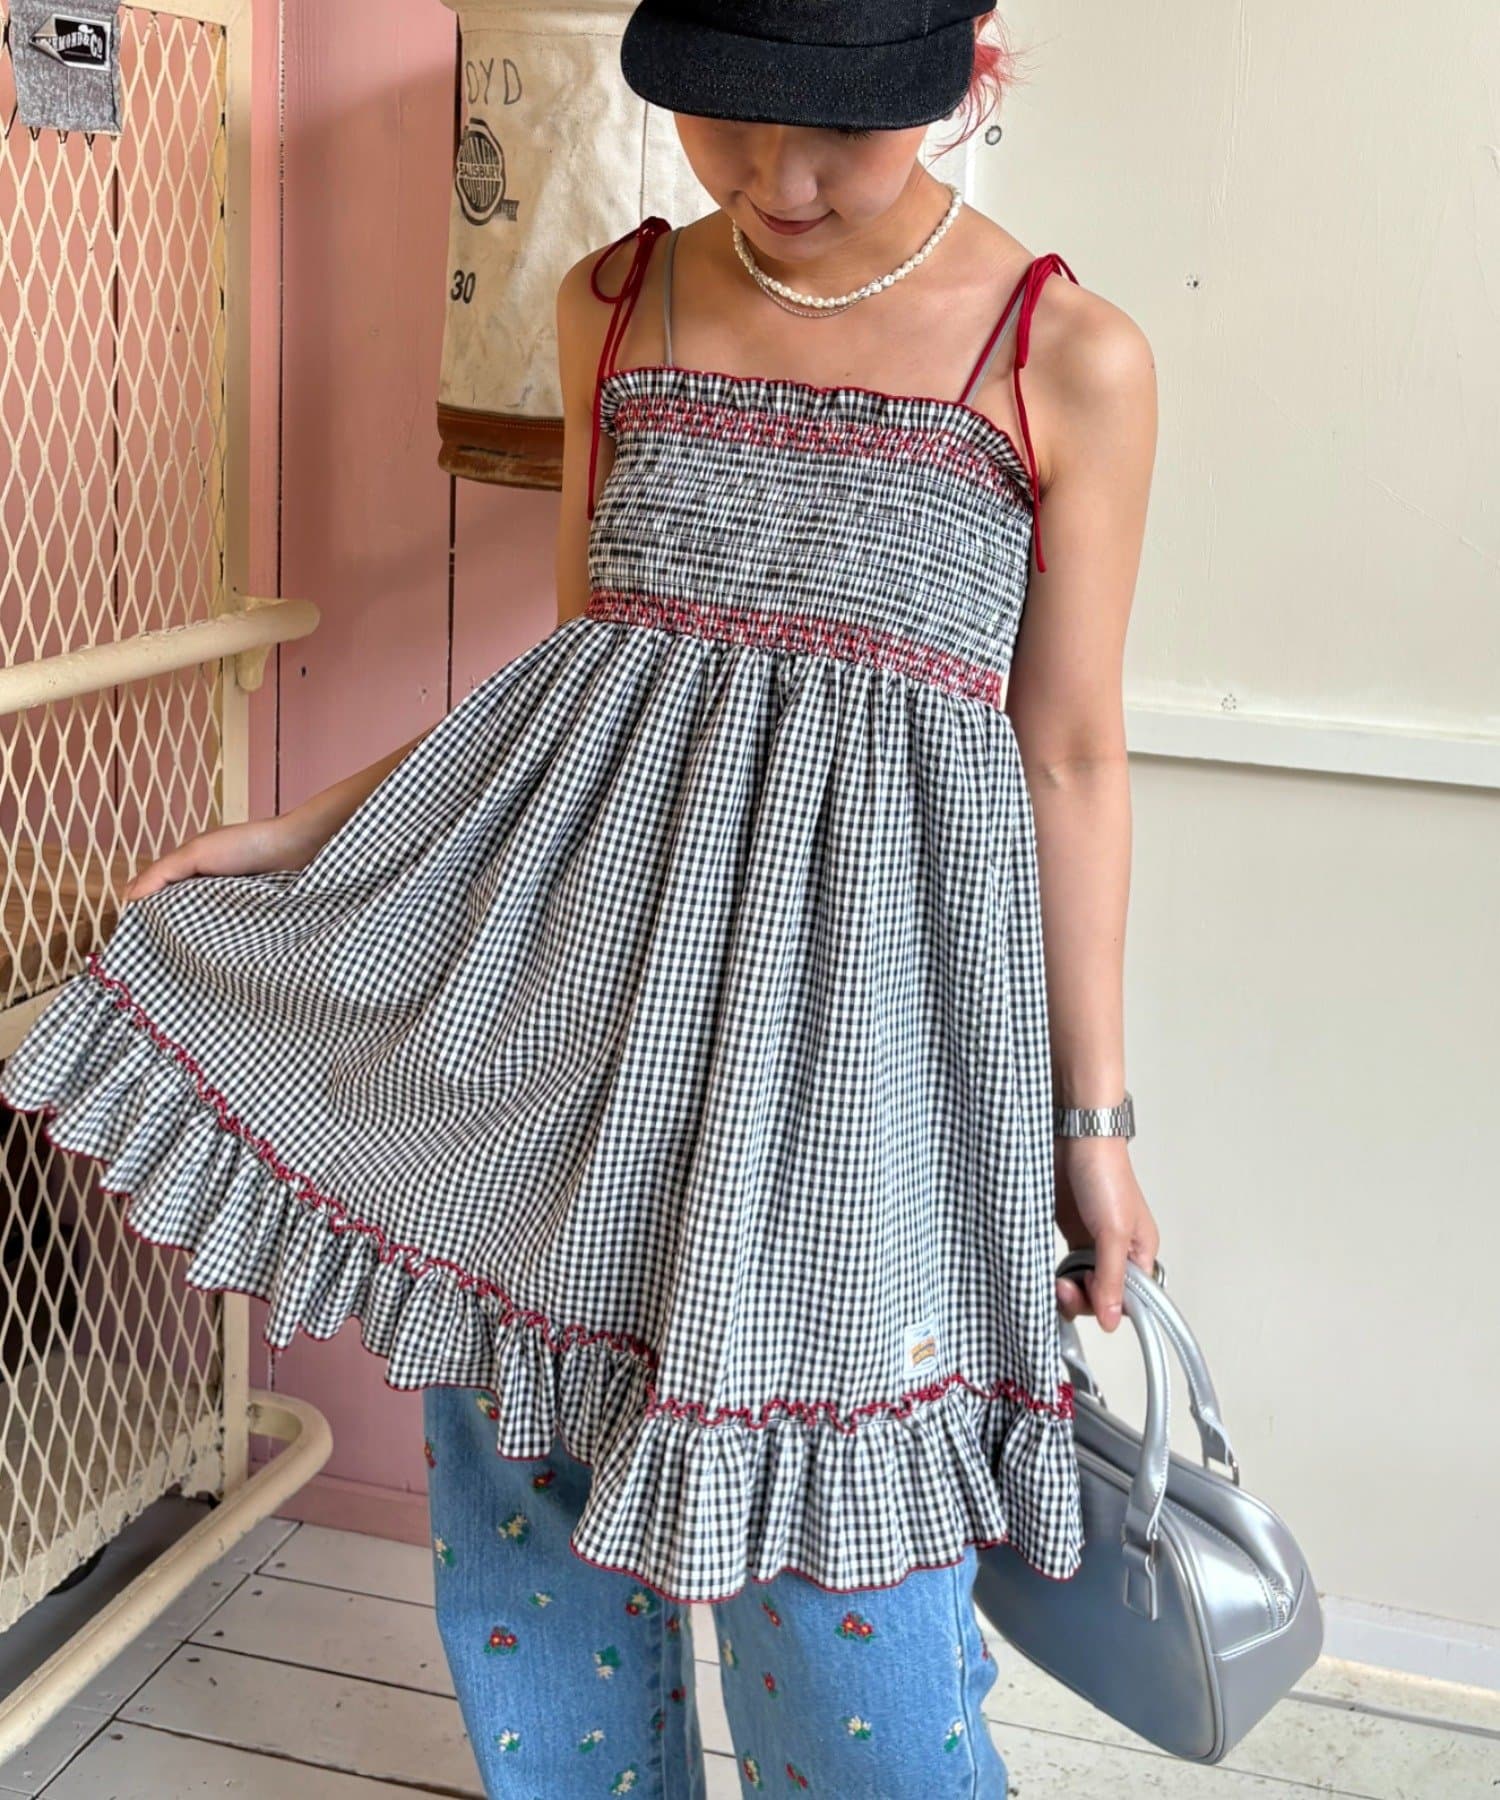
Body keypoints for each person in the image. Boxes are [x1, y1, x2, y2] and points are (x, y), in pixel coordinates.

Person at [0, 1, 1163, 1792]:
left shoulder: (1063, 355)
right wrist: (305, 834)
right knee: (525, 1476)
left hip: (857, 1056)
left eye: (839, 131)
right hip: (570, 1011)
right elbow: (582, 687)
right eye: (728, 117)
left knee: (840, 1562)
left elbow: (1068, 756)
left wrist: (1093, 1124)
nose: (779, 178)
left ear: (965, 72)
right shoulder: (615, 302)